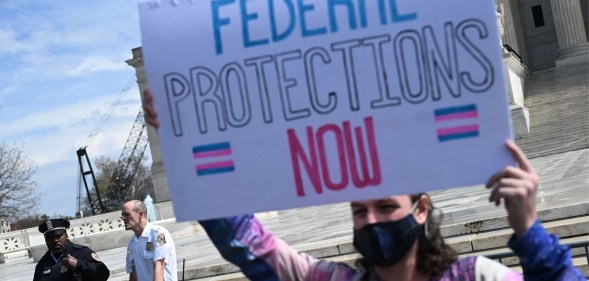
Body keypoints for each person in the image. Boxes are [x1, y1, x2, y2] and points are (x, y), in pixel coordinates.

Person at [142, 89, 585, 280]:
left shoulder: (478, 276)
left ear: (421, 209)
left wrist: (530, 232)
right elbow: (249, 244)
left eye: (385, 207)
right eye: (359, 210)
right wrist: (187, 144)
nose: (370, 219)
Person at [32, 218, 110, 281]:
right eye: (50, 238)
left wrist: (79, 265)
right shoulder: (42, 264)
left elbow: (103, 274)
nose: (55, 240)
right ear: (45, 240)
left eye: (58, 236)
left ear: (66, 235)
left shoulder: (82, 252)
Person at [122, 199, 178, 281]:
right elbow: (133, 275)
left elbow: (160, 269)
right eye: (122, 215)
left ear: (140, 214)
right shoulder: (132, 244)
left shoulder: (159, 234)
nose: (123, 218)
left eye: (127, 214)